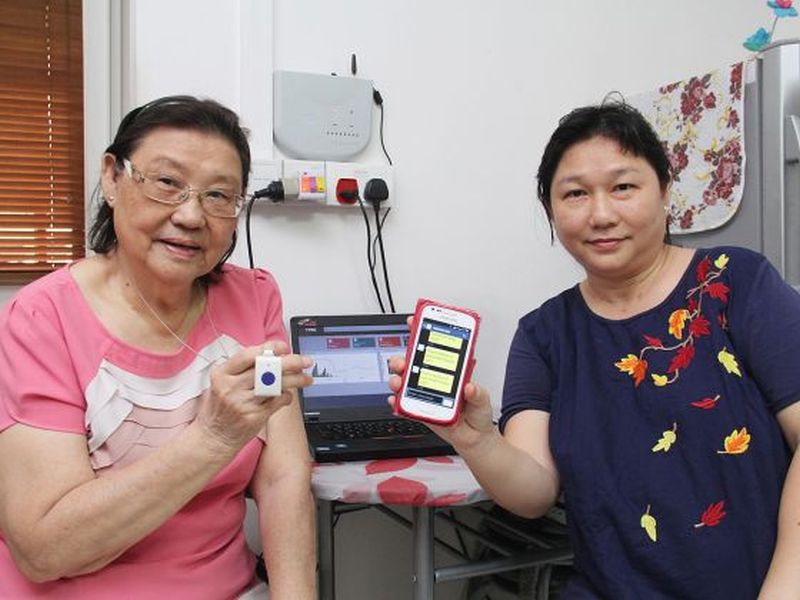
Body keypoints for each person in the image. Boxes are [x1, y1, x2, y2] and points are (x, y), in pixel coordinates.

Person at [390, 102, 800, 599]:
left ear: (665, 190)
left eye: (623, 187)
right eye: (575, 194)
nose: (601, 215)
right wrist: (474, 439)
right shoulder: (544, 334)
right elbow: (533, 494)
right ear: (551, 211)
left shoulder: (736, 283)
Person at [0, 95, 317, 599]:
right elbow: (44, 551)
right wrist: (213, 438)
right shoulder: (42, 318)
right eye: (167, 183)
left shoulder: (254, 297)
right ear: (112, 178)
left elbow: (283, 477)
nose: (191, 216)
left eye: (218, 196)